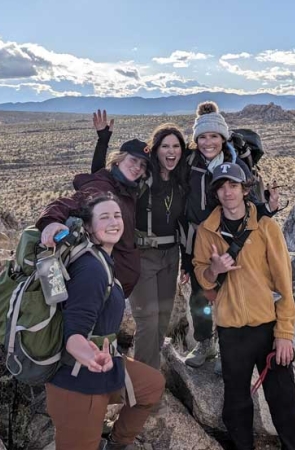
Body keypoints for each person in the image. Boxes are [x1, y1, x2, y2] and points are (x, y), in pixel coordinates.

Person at [192, 162, 295, 450]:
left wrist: (285, 333)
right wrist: (214, 270)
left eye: (233, 186)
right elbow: (203, 279)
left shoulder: (266, 227)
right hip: (231, 331)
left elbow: (284, 283)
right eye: (221, 186)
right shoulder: (206, 232)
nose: (227, 192)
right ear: (215, 192)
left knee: (284, 402)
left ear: (245, 190)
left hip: (268, 327)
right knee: (237, 404)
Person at [46, 192, 165, 450]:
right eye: (104, 217)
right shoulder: (91, 270)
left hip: (102, 364)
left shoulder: (102, 259)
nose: (114, 221)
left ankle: (115, 444)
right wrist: (89, 357)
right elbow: (74, 334)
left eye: (117, 215)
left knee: (152, 385)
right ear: (88, 226)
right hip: (78, 381)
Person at [183, 101, 281, 370]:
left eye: (213, 136)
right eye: (202, 137)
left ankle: (229, 348)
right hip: (200, 236)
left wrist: (268, 210)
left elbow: (248, 197)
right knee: (201, 292)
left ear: (223, 137)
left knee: (233, 290)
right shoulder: (189, 163)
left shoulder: (235, 162)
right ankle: (205, 342)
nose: (208, 142)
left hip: (233, 236)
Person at [89, 111, 191, 369]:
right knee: (148, 319)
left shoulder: (182, 180)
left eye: (176, 146)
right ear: (155, 150)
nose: (171, 151)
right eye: (165, 146)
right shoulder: (143, 180)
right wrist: (103, 141)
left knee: (163, 319)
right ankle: (148, 384)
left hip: (171, 256)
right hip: (143, 256)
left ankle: (145, 370)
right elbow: (101, 179)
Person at [36, 114, 151, 297]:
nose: (137, 167)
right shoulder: (105, 189)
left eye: (143, 165)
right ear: (119, 159)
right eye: (133, 160)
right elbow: (71, 202)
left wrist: (102, 142)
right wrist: (50, 222)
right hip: (101, 285)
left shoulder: (126, 190)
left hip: (114, 286)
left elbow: (99, 175)